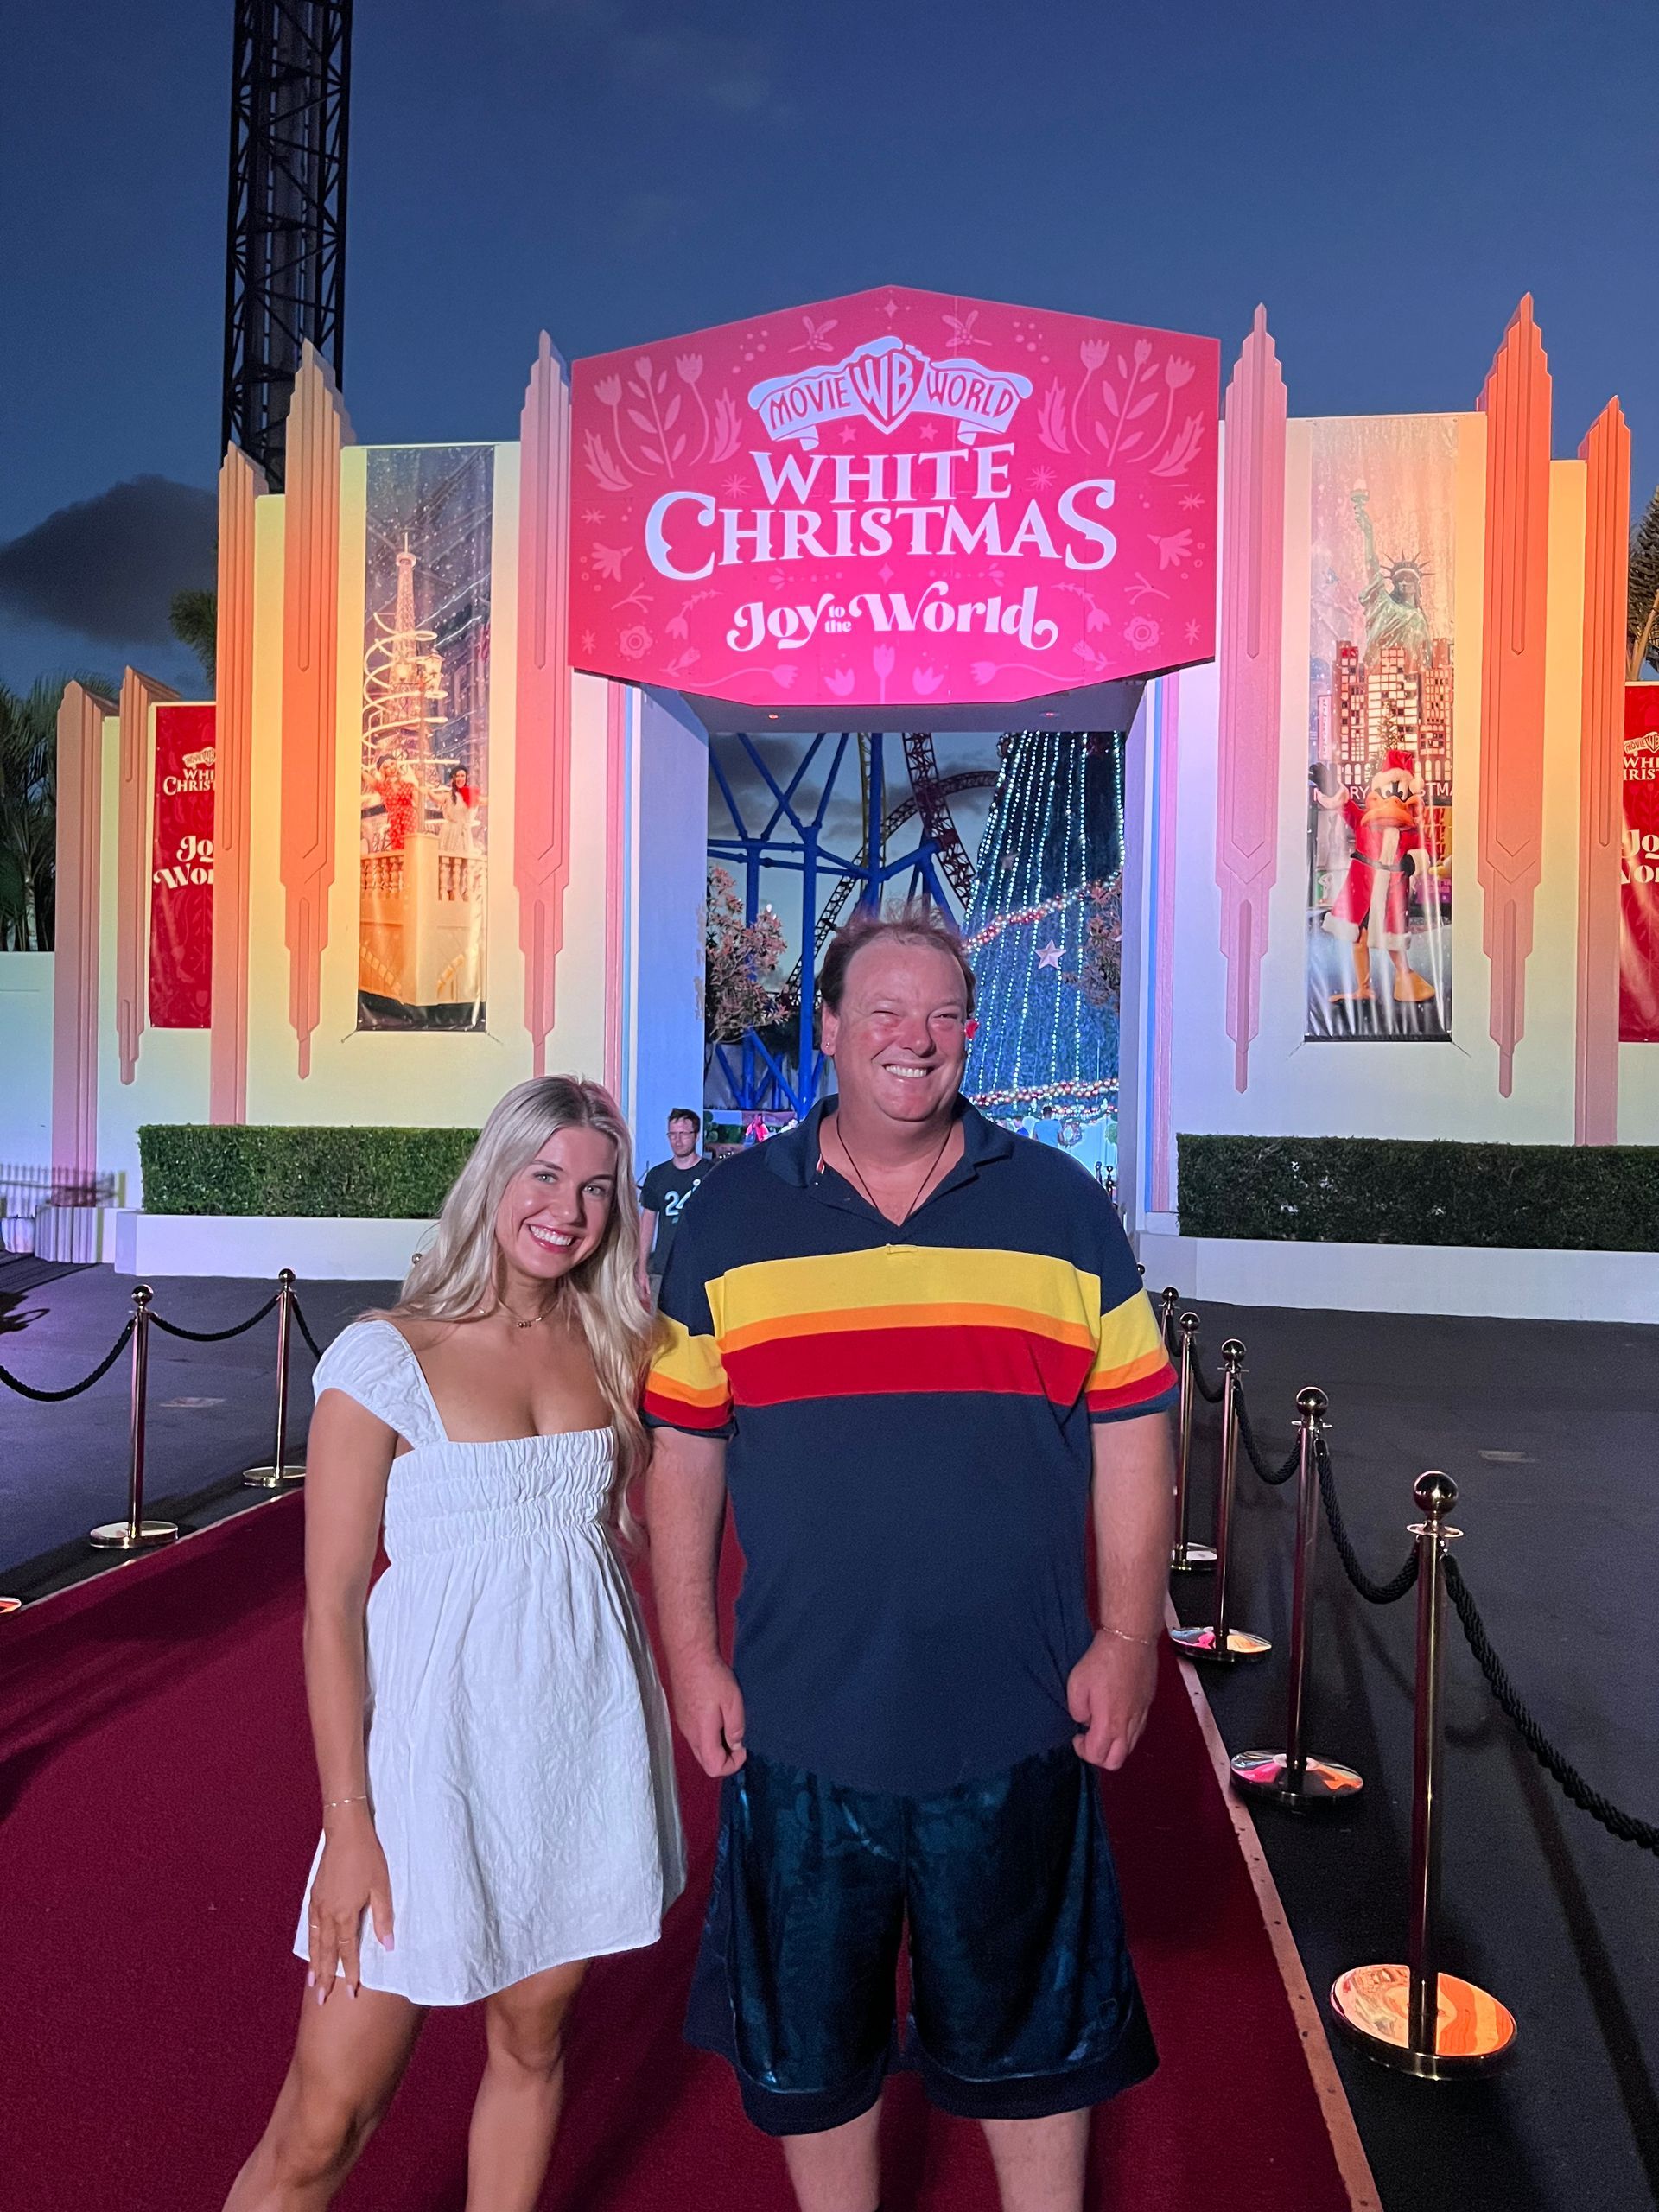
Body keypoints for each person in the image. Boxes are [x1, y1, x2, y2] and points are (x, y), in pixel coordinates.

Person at [645, 905, 1178, 2212]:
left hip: (1016, 1723)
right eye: (883, 1011)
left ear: (970, 1037)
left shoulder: (1061, 1211)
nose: (914, 1039)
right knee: (813, 2060)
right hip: (801, 1720)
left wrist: (1124, 1639)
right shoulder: (723, 1219)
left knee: (1037, 2055)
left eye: (942, 1014)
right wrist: (692, 1655)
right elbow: (682, 1459)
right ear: (826, 1029)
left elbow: (1130, 1440)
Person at [223, 1077, 684, 2212]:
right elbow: (331, 1604)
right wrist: (349, 1829)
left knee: (531, 2053)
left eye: (594, 1190)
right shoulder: (388, 1356)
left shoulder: (621, 1348)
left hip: (576, 1759)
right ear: (493, 1178)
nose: (567, 1211)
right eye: (544, 1176)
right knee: (327, 2120)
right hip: (426, 1780)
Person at [638, 1107, 709, 1300]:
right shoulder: (657, 1176)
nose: (677, 1140)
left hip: (702, 1269)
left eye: (683, 1134)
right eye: (672, 1134)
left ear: (696, 1136)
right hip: (664, 1267)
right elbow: (648, 1221)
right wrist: (641, 1267)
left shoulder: (712, 1174)